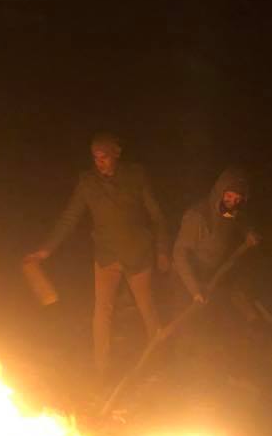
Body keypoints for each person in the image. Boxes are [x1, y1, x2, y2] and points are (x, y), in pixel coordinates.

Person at [27, 133, 170, 373]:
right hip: (106, 255)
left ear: (116, 153)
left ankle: (160, 362)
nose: (99, 162)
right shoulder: (88, 183)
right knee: (102, 312)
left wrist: (163, 250)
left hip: (137, 253)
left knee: (147, 308)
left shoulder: (136, 176)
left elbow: (157, 216)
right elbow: (69, 217)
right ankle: (101, 370)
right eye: (95, 158)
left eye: (104, 157)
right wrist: (45, 250)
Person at [173, 166, 259, 308]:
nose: (232, 203)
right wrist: (194, 290)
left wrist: (248, 232)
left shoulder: (229, 211)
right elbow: (179, 254)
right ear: (220, 192)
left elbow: (239, 220)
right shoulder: (198, 217)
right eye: (229, 196)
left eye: (238, 199)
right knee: (186, 321)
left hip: (212, 276)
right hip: (186, 278)